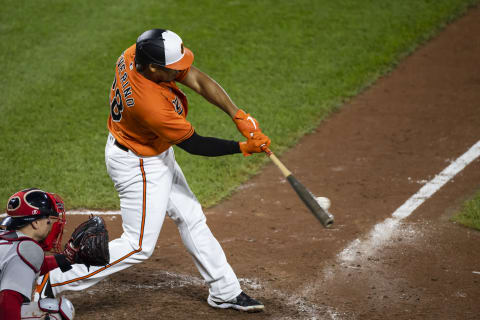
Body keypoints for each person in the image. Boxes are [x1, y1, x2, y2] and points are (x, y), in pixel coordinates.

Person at [36, 28, 271, 312]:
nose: (180, 72)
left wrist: (237, 114)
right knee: (137, 246)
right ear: (152, 68)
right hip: (138, 165)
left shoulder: (135, 53)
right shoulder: (150, 106)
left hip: (150, 151)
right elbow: (197, 145)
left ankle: (225, 290)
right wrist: (243, 147)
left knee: (190, 216)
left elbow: (194, 76)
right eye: (172, 69)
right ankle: (52, 281)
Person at [0, 188, 75, 320]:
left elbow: (21, 266)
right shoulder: (25, 251)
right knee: (56, 312)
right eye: (47, 219)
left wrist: (64, 259)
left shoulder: (6, 237)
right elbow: (7, 302)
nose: (51, 224)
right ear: (35, 223)